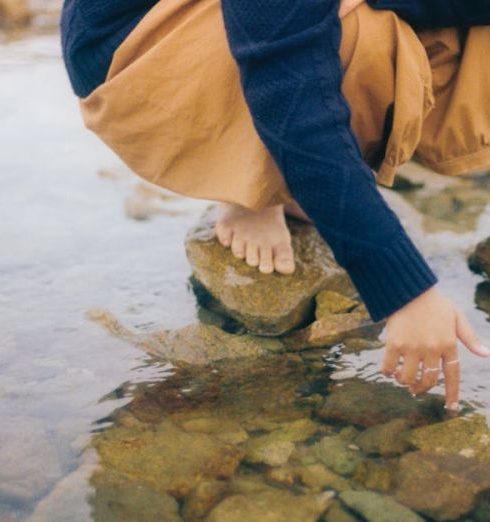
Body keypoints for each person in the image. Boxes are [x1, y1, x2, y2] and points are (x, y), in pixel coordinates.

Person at [60, 0, 490, 409]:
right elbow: (291, 91)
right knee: (360, 33)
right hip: (137, 55)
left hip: (263, 33)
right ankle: (256, 182)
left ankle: (304, 178)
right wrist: (406, 294)